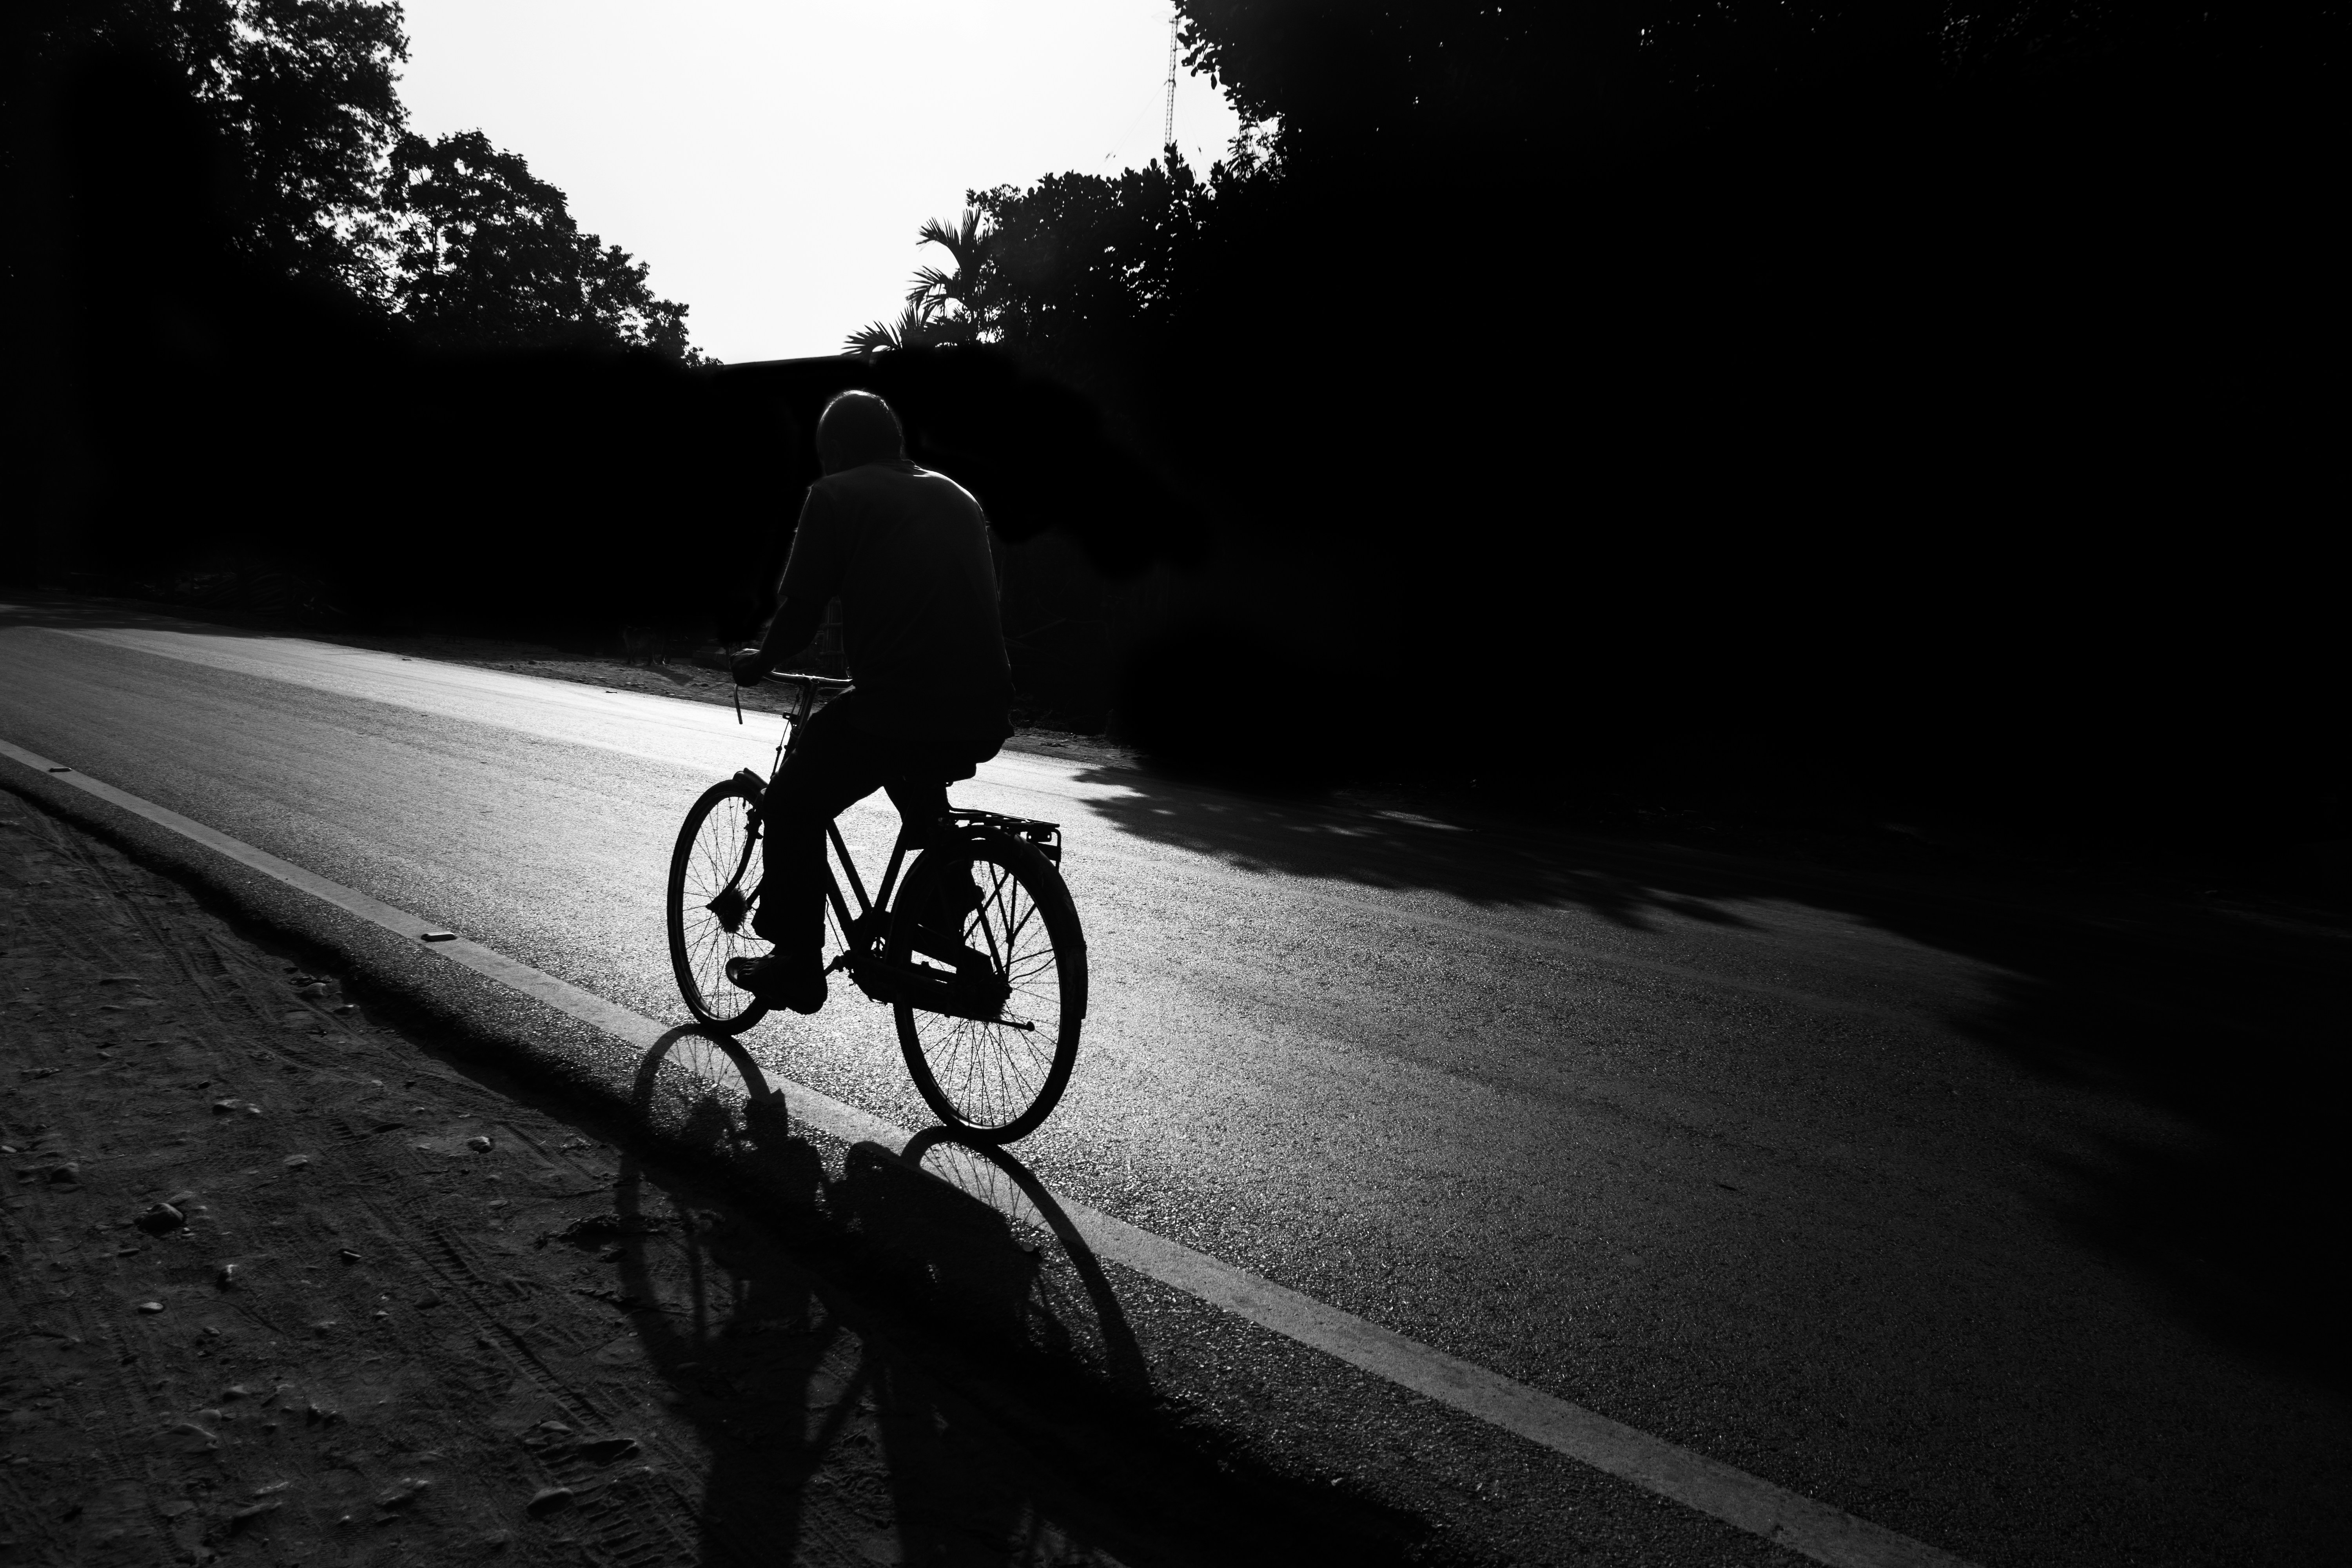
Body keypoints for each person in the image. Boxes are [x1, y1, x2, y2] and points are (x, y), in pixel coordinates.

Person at [727, 390, 1014, 1013]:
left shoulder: (835, 496)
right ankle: (939, 913)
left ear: (835, 450)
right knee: (910, 770)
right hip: (987, 708)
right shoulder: (957, 496)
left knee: (794, 802)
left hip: (900, 703)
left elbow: (800, 613)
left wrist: (760, 662)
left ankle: (798, 962)